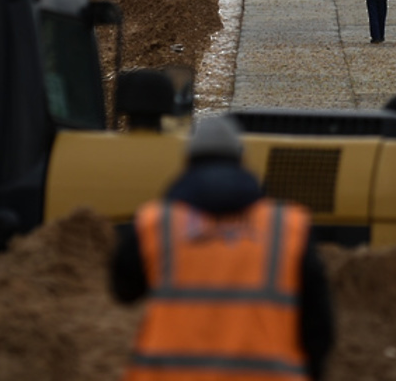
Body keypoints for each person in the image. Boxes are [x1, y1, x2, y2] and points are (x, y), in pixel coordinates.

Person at [110, 116, 334, 381]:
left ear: (187, 163)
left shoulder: (158, 223)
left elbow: (124, 290)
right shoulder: (286, 227)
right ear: (242, 161)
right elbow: (318, 323)